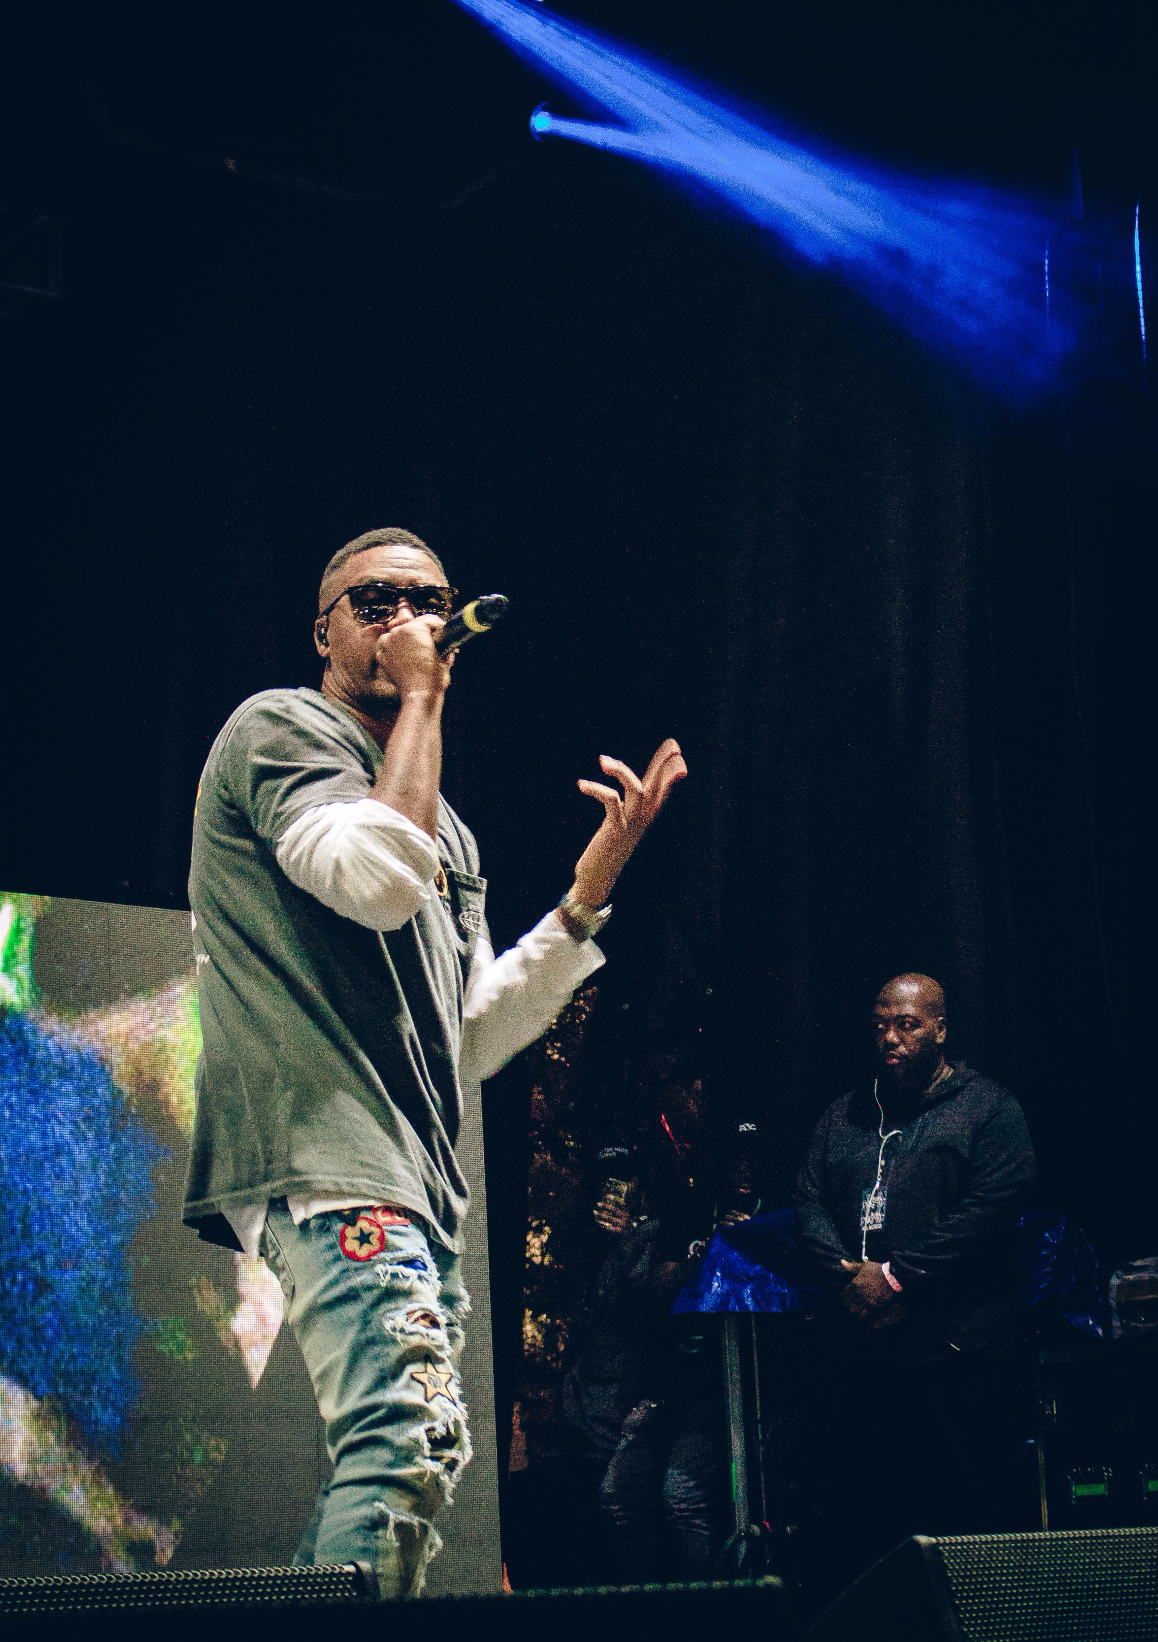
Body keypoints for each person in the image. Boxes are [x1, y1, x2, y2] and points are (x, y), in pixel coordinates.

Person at [183, 526, 686, 1594]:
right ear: (323, 630)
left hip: (416, 1176)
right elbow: (373, 881)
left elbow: (470, 1033)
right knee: (401, 1438)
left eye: (429, 601)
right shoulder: (281, 729)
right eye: (376, 601)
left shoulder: (439, 822)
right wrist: (422, 696)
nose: (409, 619)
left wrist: (585, 897)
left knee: (420, 1452)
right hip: (324, 1154)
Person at [793, 973, 1037, 1580]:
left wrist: (897, 1277)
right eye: (881, 1025)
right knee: (870, 1523)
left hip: (953, 1351)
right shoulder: (845, 1113)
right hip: (864, 1352)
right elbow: (808, 1200)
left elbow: (994, 1204)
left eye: (907, 1024)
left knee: (961, 1517)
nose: (891, 1037)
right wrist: (850, 1280)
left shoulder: (987, 1107)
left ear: (940, 1029)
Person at [562, 1148, 727, 1580]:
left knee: (673, 1500)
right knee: (614, 1506)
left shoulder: (659, 1233)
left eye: (624, 1179)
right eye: (606, 1180)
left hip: (638, 1398)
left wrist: (630, 1239)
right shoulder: (588, 1242)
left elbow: (649, 1311)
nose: (613, 1190)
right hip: (598, 1406)